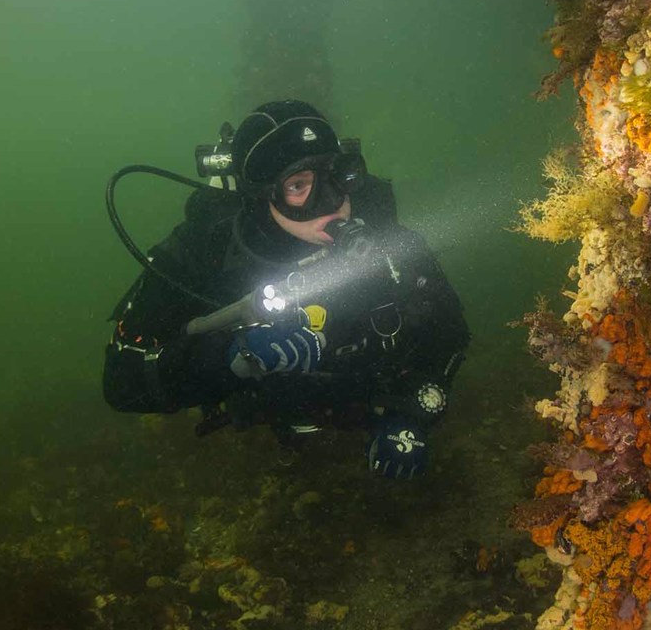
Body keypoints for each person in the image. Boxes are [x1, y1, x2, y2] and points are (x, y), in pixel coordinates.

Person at [103, 100, 470, 478]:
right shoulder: (206, 251)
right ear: (260, 195)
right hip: (268, 434)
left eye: (337, 176)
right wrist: (228, 357)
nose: (331, 202)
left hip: (365, 406)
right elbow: (122, 384)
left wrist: (413, 414)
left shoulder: (387, 240)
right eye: (298, 185)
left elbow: (450, 331)